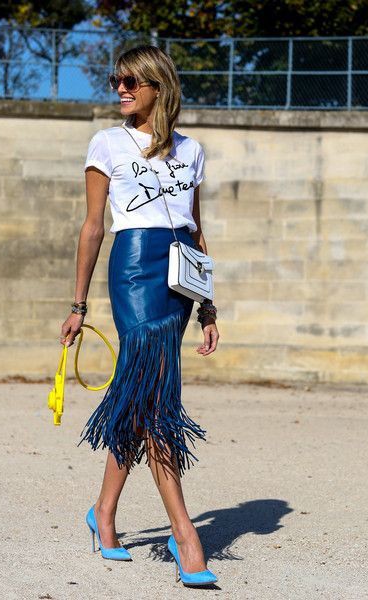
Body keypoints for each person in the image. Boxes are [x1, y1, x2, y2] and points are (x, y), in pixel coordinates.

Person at [59, 44, 220, 587]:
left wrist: (207, 305)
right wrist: (78, 305)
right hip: (133, 270)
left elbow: (196, 229)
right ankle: (184, 532)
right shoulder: (107, 142)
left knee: (143, 395)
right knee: (157, 398)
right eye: (116, 80)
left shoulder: (192, 150)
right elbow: (92, 227)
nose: (121, 88)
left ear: (158, 85)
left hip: (178, 277)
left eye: (131, 80)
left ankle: (103, 512)